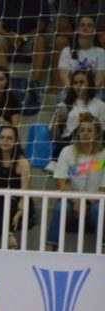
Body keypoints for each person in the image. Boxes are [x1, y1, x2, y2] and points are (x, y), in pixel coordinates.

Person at [47, 113, 105, 253]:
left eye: (90, 130)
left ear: (97, 134)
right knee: (61, 208)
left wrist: (85, 202)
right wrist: (77, 202)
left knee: (99, 210)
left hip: (95, 203)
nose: (85, 133)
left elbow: (103, 189)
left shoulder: (103, 155)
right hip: (72, 203)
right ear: (77, 134)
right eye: (82, 130)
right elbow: (61, 182)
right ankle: (48, 251)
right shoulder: (67, 151)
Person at [0, 0, 52, 112]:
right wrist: (9, 36)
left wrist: (23, 37)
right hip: (9, 38)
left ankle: (34, 85)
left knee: (40, 40)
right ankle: (6, 84)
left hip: (29, 39)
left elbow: (42, 26)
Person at [0, 125, 31, 250]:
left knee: (1, 201)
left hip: (17, 203)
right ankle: (8, 234)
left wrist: (19, 212)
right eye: (2, 137)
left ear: (16, 142)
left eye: (9, 138)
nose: (5, 141)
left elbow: (25, 193)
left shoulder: (22, 163)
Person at [49, 70, 105, 164]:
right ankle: (57, 165)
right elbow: (56, 137)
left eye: (82, 82)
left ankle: (87, 168)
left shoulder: (101, 105)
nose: (78, 86)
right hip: (69, 142)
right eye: (75, 83)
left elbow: (102, 131)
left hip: (93, 143)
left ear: (90, 84)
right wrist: (57, 122)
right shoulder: (64, 105)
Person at [51, 1, 105, 92]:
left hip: (94, 37)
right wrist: (82, 35)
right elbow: (61, 27)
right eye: (83, 25)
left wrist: (88, 34)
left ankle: (102, 88)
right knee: (60, 41)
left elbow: (103, 26)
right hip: (72, 37)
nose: (85, 27)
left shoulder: (101, 2)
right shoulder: (66, 2)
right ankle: (54, 87)